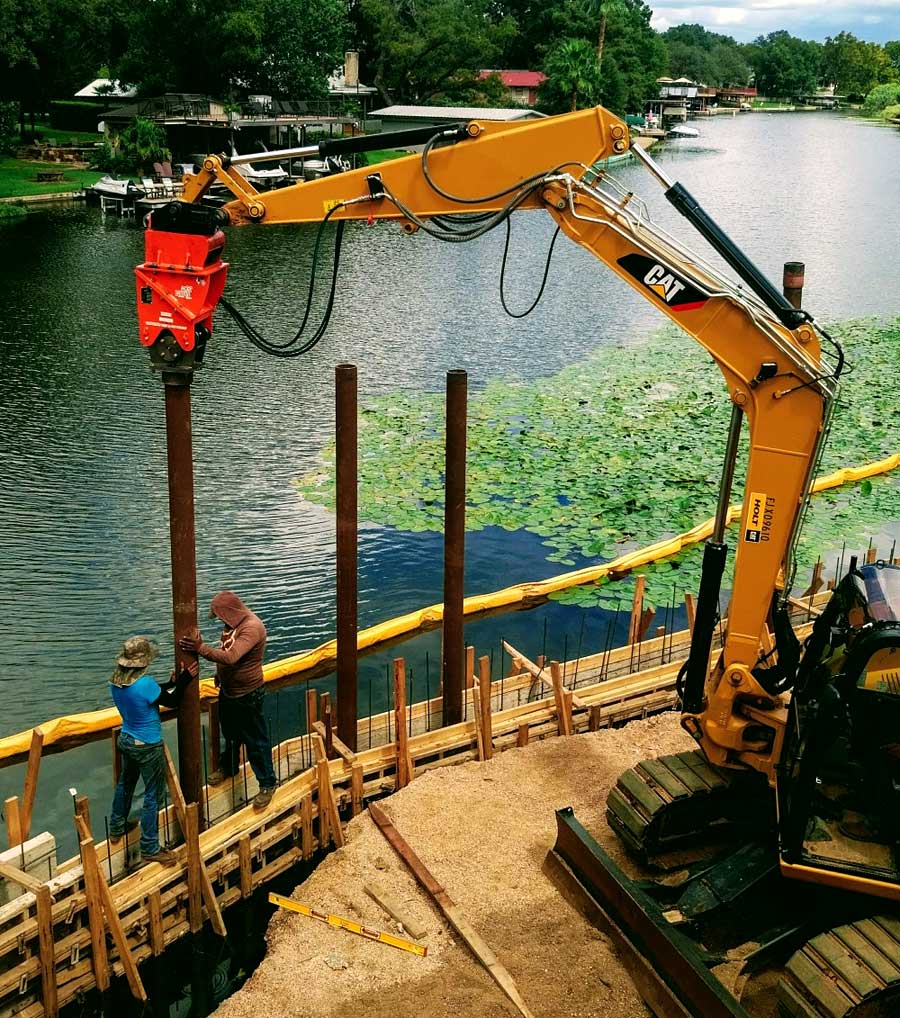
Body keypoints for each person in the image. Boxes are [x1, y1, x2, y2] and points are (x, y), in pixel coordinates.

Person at [180, 591, 277, 810]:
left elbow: (232, 657)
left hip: (248, 694)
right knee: (231, 734)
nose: (220, 621)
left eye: (221, 616)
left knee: (255, 741)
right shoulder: (233, 624)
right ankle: (230, 766)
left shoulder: (252, 627)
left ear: (229, 612)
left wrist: (200, 649)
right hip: (229, 691)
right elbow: (227, 650)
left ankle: (267, 783)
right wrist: (220, 675)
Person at [108, 636, 198, 866]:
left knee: (125, 784)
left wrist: (170, 682)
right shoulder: (145, 685)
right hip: (147, 744)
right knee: (153, 794)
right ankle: (150, 847)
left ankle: (117, 827)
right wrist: (186, 678)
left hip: (127, 739)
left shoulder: (115, 682)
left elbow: (156, 693)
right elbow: (173, 701)